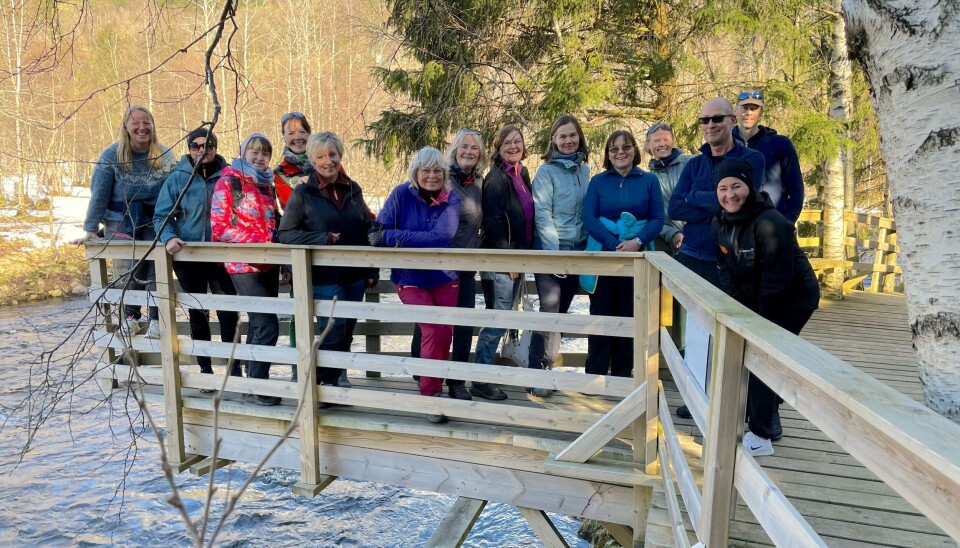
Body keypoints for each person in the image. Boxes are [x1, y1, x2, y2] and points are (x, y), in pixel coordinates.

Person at [711, 158, 819, 456]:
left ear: (750, 187)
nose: (730, 194)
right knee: (757, 353)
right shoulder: (719, 221)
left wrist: (757, 322)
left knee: (760, 356)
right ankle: (767, 416)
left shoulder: (770, 223)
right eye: (723, 188)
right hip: (757, 292)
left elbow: (777, 280)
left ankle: (761, 435)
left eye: (737, 186)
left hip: (793, 297)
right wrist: (741, 310)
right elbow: (725, 269)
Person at [668, 97, 765, 419]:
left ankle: (734, 404)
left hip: (734, 259)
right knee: (696, 332)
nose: (710, 126)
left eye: (717, 119)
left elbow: (748, 204)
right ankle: (698, 396)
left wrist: (698, 197)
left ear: (731, 120)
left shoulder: (751, 158)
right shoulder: (694, 164)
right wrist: (719, 200)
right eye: (704, 120)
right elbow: (675, 208)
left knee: (732, 333)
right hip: (694, 257)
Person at [278, 132, 378, 392]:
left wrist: (372, 267)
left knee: (348, 329)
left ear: (340, 156)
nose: (328, 161)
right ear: (312, 159)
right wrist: (323, 238)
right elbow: (286, 234)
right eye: (321, 156)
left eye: (332, 155)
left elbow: (366, 228)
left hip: (354, 274)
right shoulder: (303, 193)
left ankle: (332, 380)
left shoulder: (353, 188)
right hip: (324, 276)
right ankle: (321, 382)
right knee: (332, 328)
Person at [369, 147, 461, 423]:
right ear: (416, 173)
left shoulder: (452, 199)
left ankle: (436, 384)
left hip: (445, 277)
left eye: (437, 170)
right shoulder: (401, 195)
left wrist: (399, 237)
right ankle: (430, 395)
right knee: (431, 328)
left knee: (444, 332)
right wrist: (405, 237)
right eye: (426, 170)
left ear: (444, 173)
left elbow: (442, 237)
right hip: (410, 278)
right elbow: (378, 232)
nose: (431, 176)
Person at [74, 105, 175, 336]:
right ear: (126, 127)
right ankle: (131, 317)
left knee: (155, 265)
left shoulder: (164, 155)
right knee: (130, 266)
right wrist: (91, 228)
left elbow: (174, 190)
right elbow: (99, 193)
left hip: (154, 219)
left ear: (153, 125)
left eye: (146, 122)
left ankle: (156, 319)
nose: (142, 127)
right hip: (120, 219)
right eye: (135, 122)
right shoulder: (112, 156)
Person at [153, 128, 240, 382]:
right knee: (198, 313)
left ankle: (234, 371)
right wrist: (169, 238)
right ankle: (205, 370)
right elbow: (161, 216)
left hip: (222, 253)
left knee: (228, 312)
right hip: (189, 257)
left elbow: (243, 210)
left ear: (215, 146)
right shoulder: (178, 178)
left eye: (208, 145)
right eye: (196, 146)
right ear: (190, 148)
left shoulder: (229, 175)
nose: (203, 150)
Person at [211, 133, 290, 406]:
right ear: (243, 153)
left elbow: (273, 224)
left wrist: (280, 252)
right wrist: (259, 242)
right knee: (268, 324)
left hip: (268, 262)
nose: (259, 157)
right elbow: (220, 228)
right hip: (242, 263)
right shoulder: (229, 182)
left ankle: (250, 382)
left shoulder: (267, 184)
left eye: (264, 153)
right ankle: (258, 385)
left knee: (259, 324)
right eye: (253, 152)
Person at [409, 128, 486, 401]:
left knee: (463, 322)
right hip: (439, 262)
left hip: (466, 262)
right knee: (432, 322)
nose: (469, 151)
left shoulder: (479, 181)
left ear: (480, 154)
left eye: (474, 148)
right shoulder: (442, 177)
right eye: (464, 146)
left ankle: (456, 381)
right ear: (454, 149)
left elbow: (483, 221)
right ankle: (424, 371)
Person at [582, 130, 663, 377]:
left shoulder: (649, 181)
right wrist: (611, 242)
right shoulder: (598, 181)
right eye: (614, 148)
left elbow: (658, 218)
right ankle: (595, 373)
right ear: (608, 154)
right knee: (601, 313)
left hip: (636, 256)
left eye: (626, 147)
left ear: (635, 150)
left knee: (630, 313)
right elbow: (589, 217)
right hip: (604, 255)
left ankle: (622, 373)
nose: (620, 152)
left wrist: (637, 241)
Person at [527, 115, 590, 397]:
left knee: (562, 314)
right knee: (549, 311)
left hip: (578, 251)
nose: (568, 141)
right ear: (553, 139)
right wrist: (555, 255)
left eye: (572, 136)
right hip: (552, 251)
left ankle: (548, 366)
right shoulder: (546, 172)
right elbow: (542, 214)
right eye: (562, 136)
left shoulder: (584, 170)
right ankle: (535, 371)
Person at [470, 124, 534, 401]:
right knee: (497, 318)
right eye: (507, 142)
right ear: (498, 147)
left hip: (516, 258)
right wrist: (506, 258)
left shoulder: (521, 173)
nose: (513, 146)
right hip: (500, 261)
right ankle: (480, 379)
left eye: (517, 141)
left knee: (504, 316)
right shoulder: (495, 177)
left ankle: (487, 374)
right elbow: (493, 222)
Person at [733, 91, 804, 223]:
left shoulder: (780, 144)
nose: (748, 113)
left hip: (772, 226)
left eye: (754, 108)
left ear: (761, 112)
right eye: (744, 108)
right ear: (736, 111)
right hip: (734, 227)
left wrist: (787, 223)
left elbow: (796, 189)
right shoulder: (724, 144)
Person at [646, 123, 693, 254]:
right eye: (656, 140)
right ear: (648, 145)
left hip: (700, 237)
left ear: (672, 142)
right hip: (672, 244)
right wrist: (673, 234)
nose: (662, 144)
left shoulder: (691, 163)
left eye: (666, 139)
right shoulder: (648, 180)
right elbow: (651, 218)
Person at [273, 112, 314, 210]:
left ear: (309, 133)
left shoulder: (326, 161)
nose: (297, 137)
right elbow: (291, 210)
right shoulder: (280, 174)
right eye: (291, 133)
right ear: (284, 136)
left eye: (302, 132)